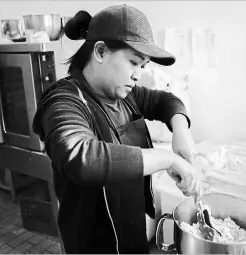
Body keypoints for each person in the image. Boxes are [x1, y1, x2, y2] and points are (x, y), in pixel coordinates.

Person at [32, 4, 202, 254]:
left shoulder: (124, 93)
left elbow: (167, 101)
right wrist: (167, 159)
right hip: (93, 243)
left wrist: (181, 130)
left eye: (142, 66)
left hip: (130, 232)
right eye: (133, 62)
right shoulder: (64, 101)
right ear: (100, 51)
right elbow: (82, 158)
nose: (137, 75)